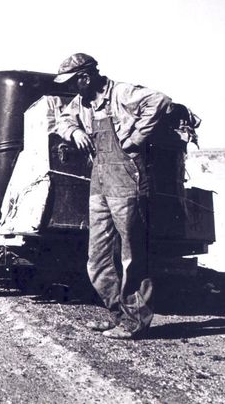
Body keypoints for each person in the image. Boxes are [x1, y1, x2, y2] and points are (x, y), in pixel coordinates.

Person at [55, 53, 171, 339]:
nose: (71, 89)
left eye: (73, 82)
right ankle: (118, 314)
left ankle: (135, 321)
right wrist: (74, 131)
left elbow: (160, 101)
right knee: (97, 258)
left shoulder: (120, 93)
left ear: (85, 77)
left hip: (126, 180)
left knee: (132, 254)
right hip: (100, 182)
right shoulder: (81, 104)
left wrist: (134, 139)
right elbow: (61, 120)